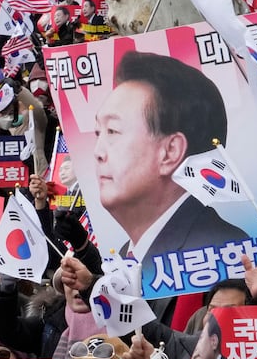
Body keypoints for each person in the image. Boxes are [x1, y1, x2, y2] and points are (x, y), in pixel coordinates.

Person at [90, 51, 247, 262]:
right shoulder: (128, 254)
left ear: (171, 151)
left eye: (112, 131)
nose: (97, 152)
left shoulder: (223, 250)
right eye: (98, 132)